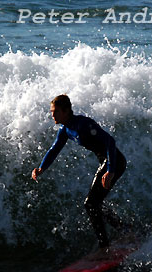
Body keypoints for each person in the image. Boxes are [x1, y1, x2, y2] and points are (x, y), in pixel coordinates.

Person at [32, 95, 127, 248]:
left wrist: (110, 171)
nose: (52, 115)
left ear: (66, 111)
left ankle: (105, 246)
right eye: (51, 112)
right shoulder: (64, 130)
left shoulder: (84, 124)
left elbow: (110, 141)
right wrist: (41, 168)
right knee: (94, 204)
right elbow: (54, 149)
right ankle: (124, 229)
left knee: (90, 204)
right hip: (106, 163)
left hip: (115, 162)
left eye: (55, 112)